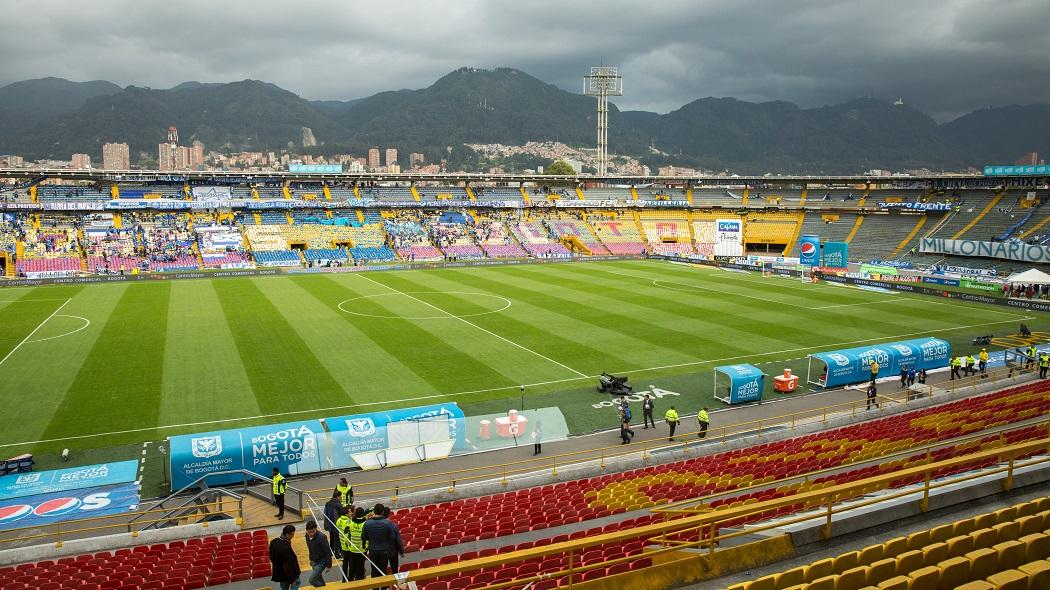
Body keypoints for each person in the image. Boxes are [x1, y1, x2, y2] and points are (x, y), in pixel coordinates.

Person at [361, 503, 404, 587]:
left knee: (374, 571)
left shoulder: (367, 523)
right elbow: (392, 537)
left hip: (373, 550)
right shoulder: (387, 523)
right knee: (383, 571)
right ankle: (384, 588)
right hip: (384, 550)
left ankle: (375, 588)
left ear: (374, 511)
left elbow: (363, 537)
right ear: (382, 511)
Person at [269, 524, 301, 590]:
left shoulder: (273, 542)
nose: (293, 536)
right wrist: (292, 580)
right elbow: (287, 565)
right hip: (289, 574)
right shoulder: (286, 548)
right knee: (297, 582)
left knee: (284, 588)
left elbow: (271, 557)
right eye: (292, 534)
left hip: (280, 573)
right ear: (287, 535)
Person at [341, 507, 369, 581]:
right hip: (362, 550)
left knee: (352, 568)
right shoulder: (366, 524)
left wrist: (347, 544)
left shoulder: (349, 522)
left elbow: (346, 534)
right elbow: (368, 537)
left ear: (355, 514)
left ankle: (351, 582)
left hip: (352, 549)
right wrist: (367, 547)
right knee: (360, 567)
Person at [305, 520, 332, 587]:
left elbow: (327, 552)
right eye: (309, 532)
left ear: (316, 529)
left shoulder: (322, 537)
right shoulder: (307, 536)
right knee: (319, 579)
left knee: (312, 580)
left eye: (313, 531)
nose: (311, 534)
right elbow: (310, 549)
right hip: (314, 561)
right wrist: (310, 559)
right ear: (306, 531)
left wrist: (329, 565)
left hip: (321, 562)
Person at [323, 491, 343, 559]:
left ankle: (331, 552)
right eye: (341, 497)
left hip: (329, 524)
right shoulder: (338, 505)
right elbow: (341, 516)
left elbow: (325, 513)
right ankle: (337, 554)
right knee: (337, 540)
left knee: (332, 539)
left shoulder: (328, 503)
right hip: (336, 525)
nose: (341, 498)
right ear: (337, 497)